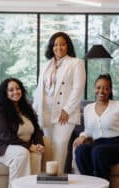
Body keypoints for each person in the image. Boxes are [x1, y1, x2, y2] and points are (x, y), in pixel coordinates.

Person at [0, 78, 45, 188]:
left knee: (35, 154)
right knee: (21, 153)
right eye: (11, 90)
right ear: (5, 93)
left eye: (17, 88)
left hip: (18, 145)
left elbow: (37, 129)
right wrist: (28, 146)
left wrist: (38, 143)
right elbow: (5, 136)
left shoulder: (26, 108)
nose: (15, 92)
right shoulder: (0, 111)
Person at [33, 31, 86, 174]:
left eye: (62, 44)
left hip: (65, 113)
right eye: (55, 44)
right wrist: (34, 111)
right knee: (49, 146)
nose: (59, 47)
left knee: (60, 145)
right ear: (51, 47)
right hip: (46, 112)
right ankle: (47, 179)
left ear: (67, 46)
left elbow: (78, 88)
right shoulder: (45, 66)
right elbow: (39, 90)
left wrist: (67, 109)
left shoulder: (76, 63)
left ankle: (58, 179)